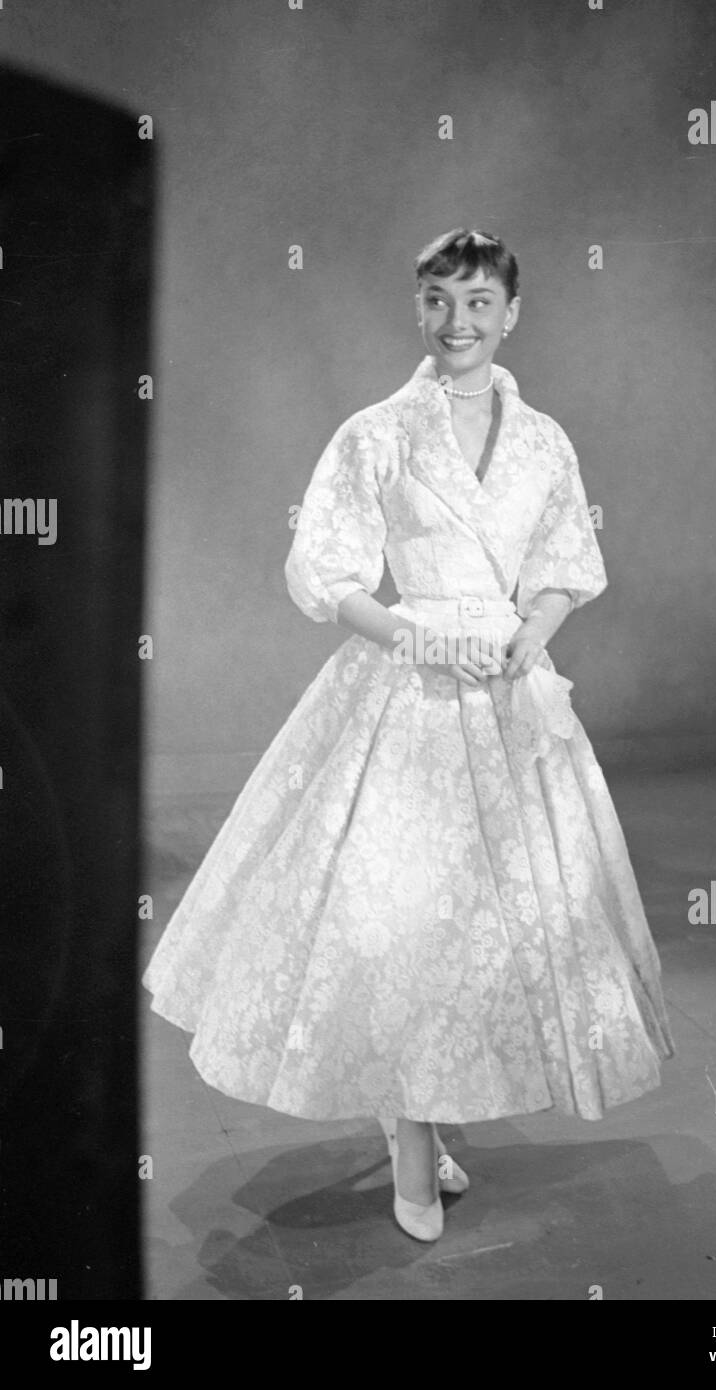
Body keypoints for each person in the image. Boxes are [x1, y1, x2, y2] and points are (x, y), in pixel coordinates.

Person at [143, 227, 675, 1244]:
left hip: (510, 696)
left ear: (511, 314)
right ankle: (410, 1147)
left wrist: (532, 636)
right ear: (417, 308)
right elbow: (327, 572)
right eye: (438, 300)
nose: (458, 322)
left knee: (506, 926)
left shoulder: (543, 440)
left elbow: (566, 561)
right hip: (404, 693)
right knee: (405, 927)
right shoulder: (376, 431)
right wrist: (414, 628)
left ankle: (419, 1111)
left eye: (478, 303)